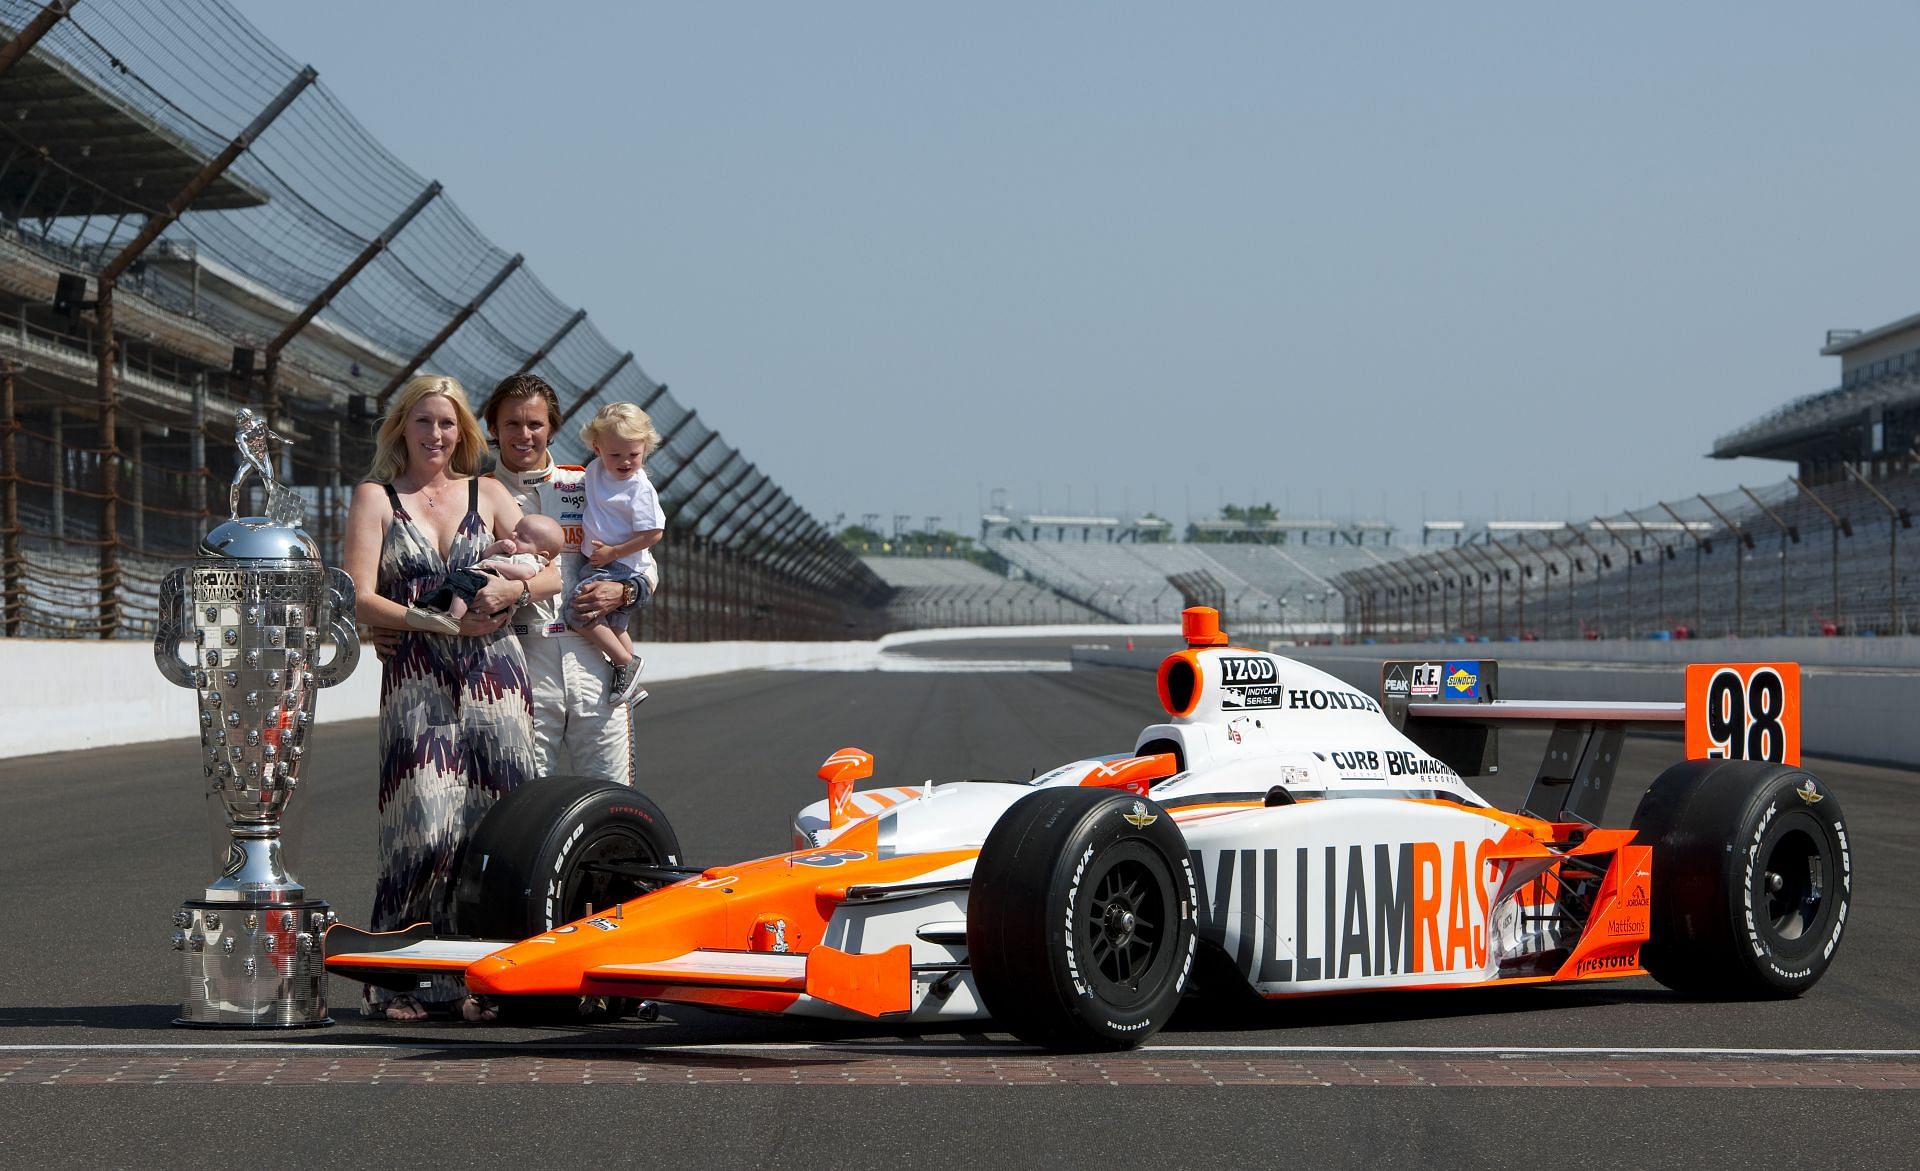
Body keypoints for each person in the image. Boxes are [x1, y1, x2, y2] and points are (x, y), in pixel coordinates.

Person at [340, 373, 537, 1023]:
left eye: (447, 423)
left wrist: (515, 593)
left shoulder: (491, 491)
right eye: (423, 422)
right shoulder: (375, 497)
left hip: (497, 680)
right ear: (402, 426)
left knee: (494, 827)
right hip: (418, 673)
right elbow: (358, 595)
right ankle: (398, 978)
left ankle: (484, 977)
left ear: (464, 432)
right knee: (422, 824)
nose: (435, 434)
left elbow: (558, 565)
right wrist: (435, 623)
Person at [480, 374, 647, 784]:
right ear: (493, 430)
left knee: (611, 795)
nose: (524, 435)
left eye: (535, 424)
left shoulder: (590, 482)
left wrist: (625, 590)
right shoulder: (475, 494)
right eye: (512, 425)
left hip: (594, 657)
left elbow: (644, 561)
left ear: (552, 428)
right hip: (519, 658)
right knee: (523, 800)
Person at [569, 402, 665, 707]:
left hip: (620, 567)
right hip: (604, 563)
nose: (625, 462)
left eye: (633, 455)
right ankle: (632, 686)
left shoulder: (640, 488)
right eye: (615, 455)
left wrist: (614, 552)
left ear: (646, 449)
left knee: (578, 614)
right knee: (615, 627)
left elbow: (654, 533)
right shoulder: (595, 471)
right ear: (597, 448)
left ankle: (626, 663)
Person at [407, 513, 564, 635]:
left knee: (462, 587)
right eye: (515, 530)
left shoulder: (532, 560)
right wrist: (498, 546)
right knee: (452, 585)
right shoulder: (511, 551)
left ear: (543, 553)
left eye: (522, 537)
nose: (514, 535)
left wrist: (497, 565)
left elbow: (524, 573)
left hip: (491, 581)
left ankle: (453, 618)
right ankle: (431, 609)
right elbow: (485, 555)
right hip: (481, 575)